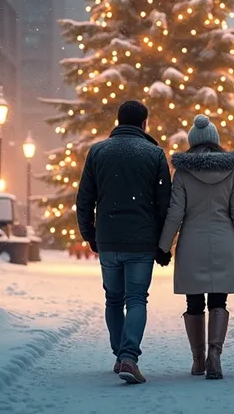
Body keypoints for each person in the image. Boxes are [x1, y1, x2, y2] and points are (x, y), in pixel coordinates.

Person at [76, 100, 172, 384]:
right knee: (136, 299)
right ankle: (129, 356)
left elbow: (84, 199)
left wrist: (89, 234)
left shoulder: (98, 152)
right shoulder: (154, 154)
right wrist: (164, 243)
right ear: (144, 124)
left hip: (108, 238)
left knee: (113, 299)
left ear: (118, 121)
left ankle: (120, 355)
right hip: (142, 241)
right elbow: (164, 204)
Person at [159, 114, 234, 380]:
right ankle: (215, 356)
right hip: (224, 241)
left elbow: (174, 213)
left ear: (192, 143)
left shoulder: (182, 173)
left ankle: (197, 359)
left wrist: (164, 246)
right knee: (218, 299)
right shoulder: (232, 171)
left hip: (192, 243)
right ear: (215, 141)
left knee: (194, 302)